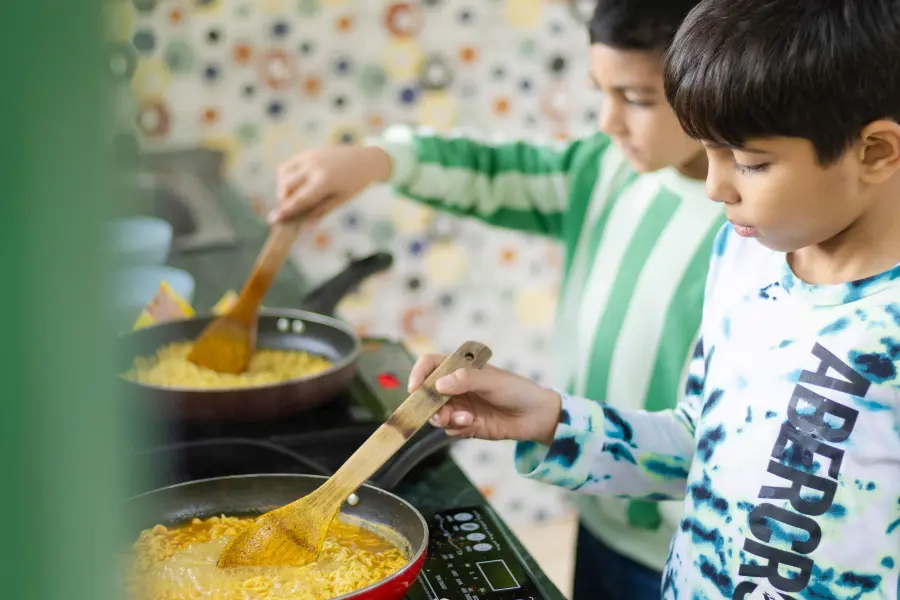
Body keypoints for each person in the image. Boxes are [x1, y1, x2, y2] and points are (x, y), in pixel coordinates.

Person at [408, 0, 900, 597]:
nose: (716, 187)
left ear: (875, 152)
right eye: (708, 151)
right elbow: (699, 443)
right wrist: (549, 418)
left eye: (749, 162)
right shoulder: (743, 257)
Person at [272, 2, 720, 596]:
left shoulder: (754, 230)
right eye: (600, 91)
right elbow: (494, 170)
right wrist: (379, 159)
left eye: (636, 99)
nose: (608, 121)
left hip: (686, 538)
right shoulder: (607, 168)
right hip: (597, 500)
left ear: (710, 82)